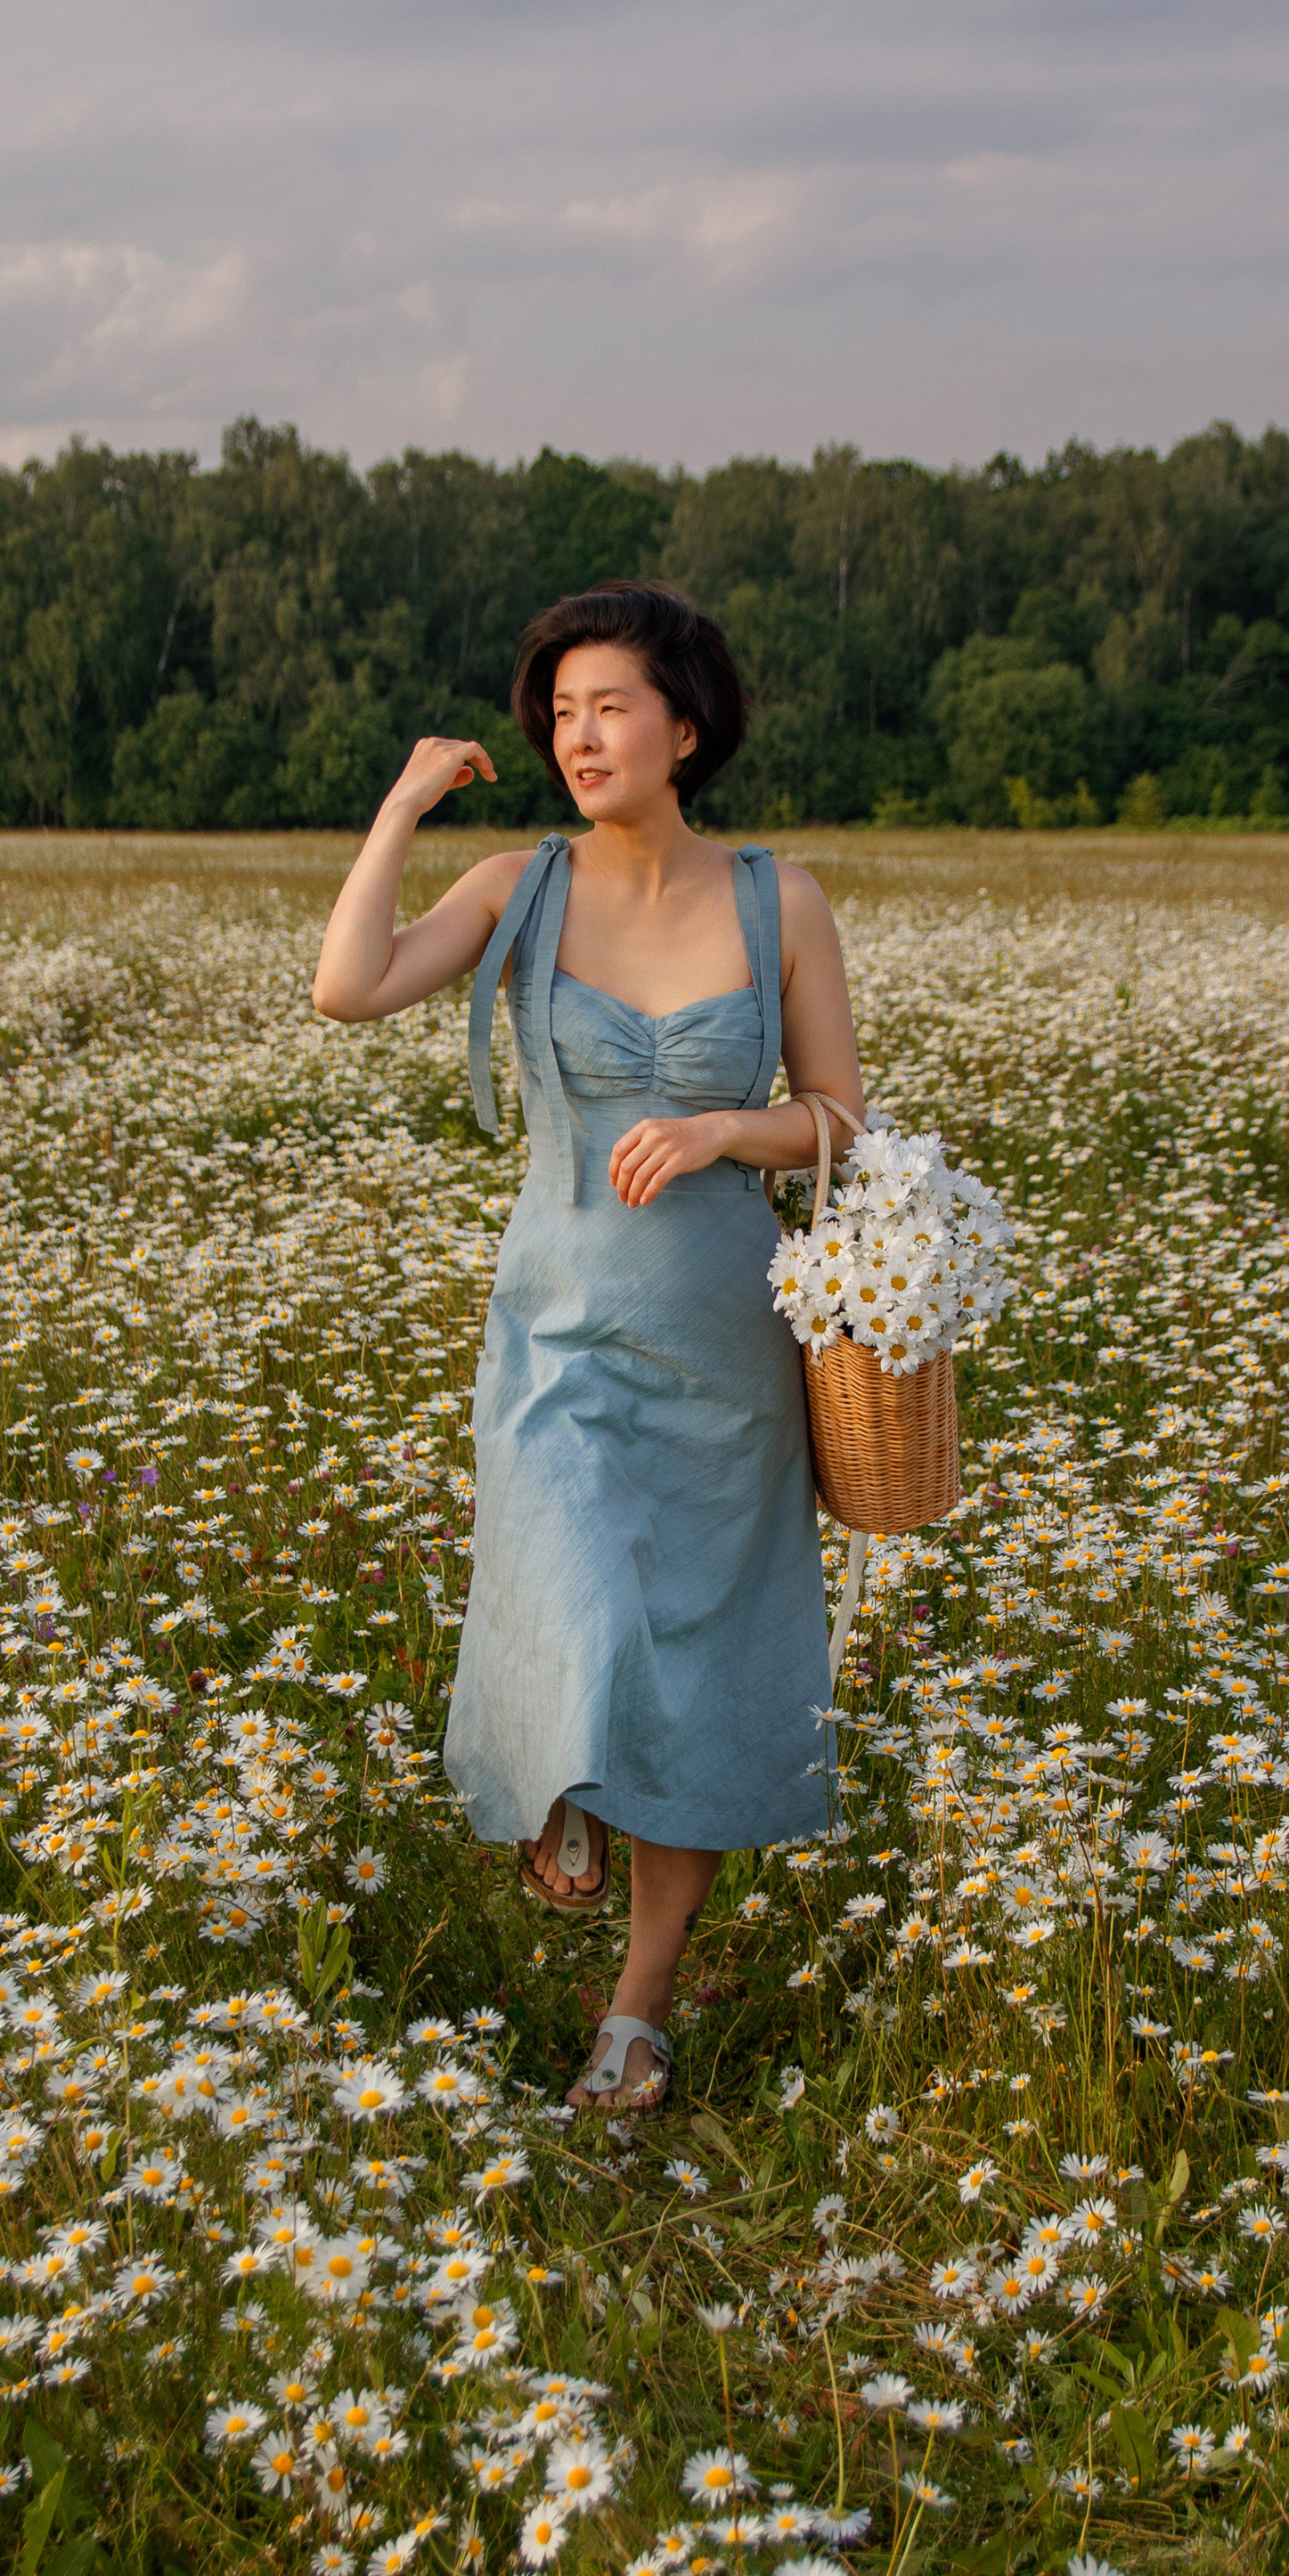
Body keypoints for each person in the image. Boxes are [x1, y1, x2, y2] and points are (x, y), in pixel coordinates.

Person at [311, 581, 865, 2110]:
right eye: (559, 712)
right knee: (567, 1574)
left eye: (610, 705)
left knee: (698, 1651)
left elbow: (843, 1122)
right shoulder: (517, 883)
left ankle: (637, 2008)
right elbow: (347, 987)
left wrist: (719, 1129)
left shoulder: (780, 901)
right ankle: (564, 1772)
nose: (578, 734)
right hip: (558, 1324)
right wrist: (407, 802)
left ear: (687, 727)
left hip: (726, 1344)